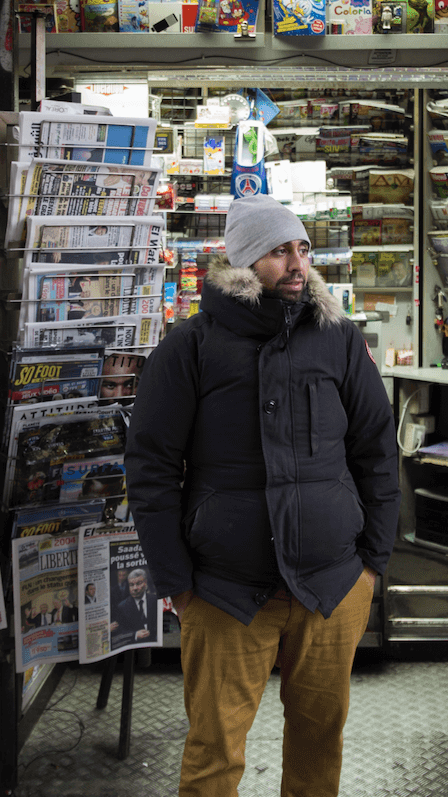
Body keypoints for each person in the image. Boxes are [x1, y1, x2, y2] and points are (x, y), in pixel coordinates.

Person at [127, 193, 399, 797]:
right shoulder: (187, 349)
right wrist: (177, 582)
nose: (297, 263)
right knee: (214, 753)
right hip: (224, 591)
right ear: (245, 262)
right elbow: (151, 469)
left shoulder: (337, 340)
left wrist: (372, 565)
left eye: (302, 249)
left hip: (331, 585)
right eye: (280, 251)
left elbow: (378, 449)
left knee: (318, 742)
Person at [109, 567, 155, 649]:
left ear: (145, 583)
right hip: (132, 647)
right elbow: (121, 631)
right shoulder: (122, 607)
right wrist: (135, 635)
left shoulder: (154, 600)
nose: (135, 588)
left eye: (138, 583)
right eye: (131, 585)